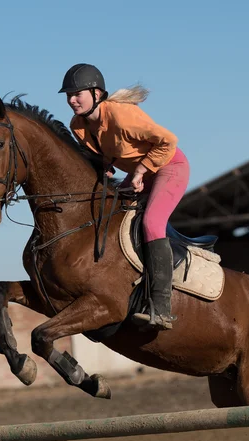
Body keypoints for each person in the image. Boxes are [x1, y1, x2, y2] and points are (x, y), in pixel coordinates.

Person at [59, 63, 190, 331]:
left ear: (96, 93)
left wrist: (140, 171)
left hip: (170, 167)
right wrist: (106, 165)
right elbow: (103, 153)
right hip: (142, 174)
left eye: (77, 94)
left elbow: (169, 141)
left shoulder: (121, 114)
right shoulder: (78, 125)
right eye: (68, 95)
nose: (71, 100)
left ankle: (161, 308)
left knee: (151, 223)